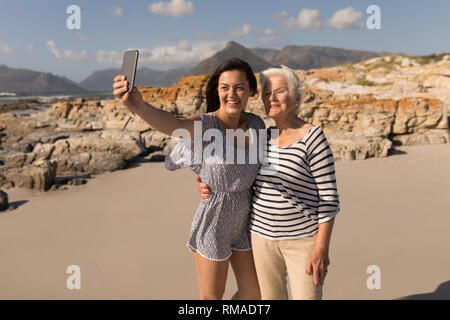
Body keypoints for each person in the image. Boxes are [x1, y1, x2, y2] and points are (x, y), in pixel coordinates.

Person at [112, 58, 265, 300]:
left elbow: (263, 171)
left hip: (246, 221)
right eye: (225, 87)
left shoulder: (257, 125)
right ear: (218, 91)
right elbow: (175, 125)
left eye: (239, 87)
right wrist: (139, 106)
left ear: (251, 90)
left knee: (255, 293)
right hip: (214, 221)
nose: (231, 94)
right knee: (211, 298)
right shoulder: (207, 125)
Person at [198, 65, 340, 300]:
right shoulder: (263, 136)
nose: (271, 98)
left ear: (296, 97)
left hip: (302, 242)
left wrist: (321, 248)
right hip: (260, 239)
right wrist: (204, 182)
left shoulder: (314, 137)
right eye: (266, 93)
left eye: (279, 92)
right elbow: (233, 171)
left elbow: (329, 199)